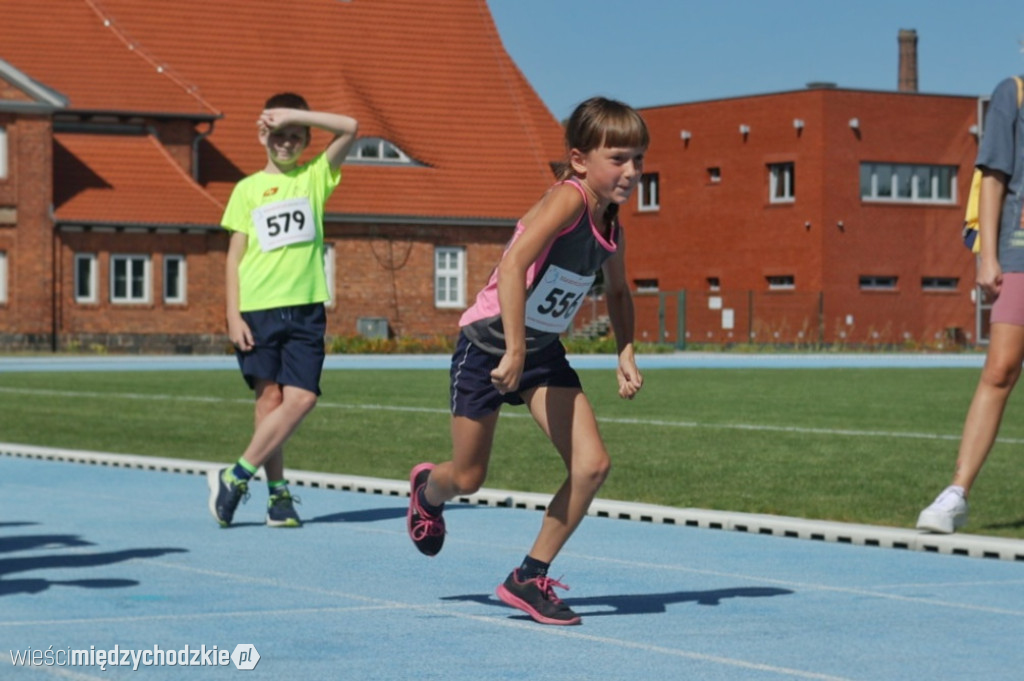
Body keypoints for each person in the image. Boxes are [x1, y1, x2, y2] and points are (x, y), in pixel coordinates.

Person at [406, 97, 648, 625]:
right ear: (581, 160)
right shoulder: (568, 200)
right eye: (619, 159)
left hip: (541, 354)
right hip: (489, 346)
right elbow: (513, 265)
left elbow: (620, 292)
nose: (632, 171)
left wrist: (624, 350)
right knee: (468, 477)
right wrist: (513, 347)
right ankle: (427, 490)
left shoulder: (614, 229)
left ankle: (529, 576)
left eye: (639, 160)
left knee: (592, 465)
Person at [208, 93, 358, 528]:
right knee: (269, 400)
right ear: (264, 137)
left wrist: (293, 114)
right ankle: (277, 496)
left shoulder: (315, 178)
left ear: (307, 139)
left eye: (296, 136)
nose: (287, 143)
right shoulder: (246, 190)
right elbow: (233, 258)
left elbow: (349, 126)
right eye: (279, 135)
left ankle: (235, 476)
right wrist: (232, 315)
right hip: (257, 309)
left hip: (306, 308)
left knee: (302, 397)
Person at [917, 76, 1024, 533]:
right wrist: (987, 256)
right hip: (1020, 252)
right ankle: (956, 494)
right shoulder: (1014, 93)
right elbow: (994, 177)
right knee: (1000, 370)